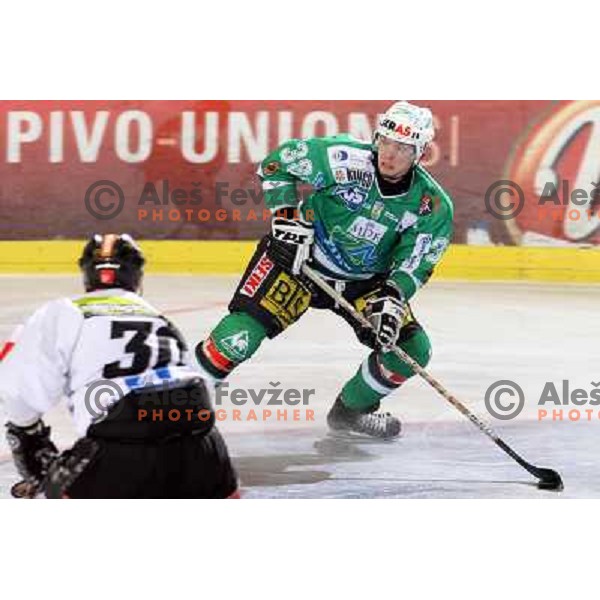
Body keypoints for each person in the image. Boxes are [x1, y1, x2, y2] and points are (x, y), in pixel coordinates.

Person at [195, 101, 455, 440]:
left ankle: (350, 413)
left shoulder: (431, 205)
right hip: (299, 260)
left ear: (419, 153)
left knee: (411, 349)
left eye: (403, 148)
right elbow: (277, 164)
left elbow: (416, 261)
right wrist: (286, 216)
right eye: (385, 142)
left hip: (364, 283)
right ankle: (180, 405)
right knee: (238, 340)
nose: (389, 154)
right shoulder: (341, 157)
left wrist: (394, 295)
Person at [1, 233, 238, 498]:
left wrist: (30, 443)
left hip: (121, 442)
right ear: (137, 277)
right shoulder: (158, 319)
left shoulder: (65, 311)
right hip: (202, 440)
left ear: (87, 275)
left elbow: (16, 390)